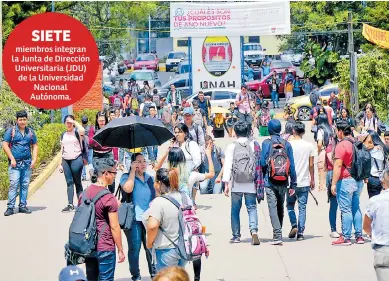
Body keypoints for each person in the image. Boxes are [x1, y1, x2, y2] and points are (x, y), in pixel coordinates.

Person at [83, 157, 125, 280]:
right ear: (106, 174)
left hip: (88, 245)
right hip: (105, 245)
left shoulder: (85, 193)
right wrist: (120, 249)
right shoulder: (108, 198)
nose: (115, 176)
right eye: (114, 173)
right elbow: (114, 226)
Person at [222, 121, 261, 245]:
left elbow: (228, 165)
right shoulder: (254, 143)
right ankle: (253, 230)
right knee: (252, 207)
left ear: (235, 132)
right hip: (251, 183)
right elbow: (258, 163)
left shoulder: (231, 146)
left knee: (235, 210)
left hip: (236, 183)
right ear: (248, 131)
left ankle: (236, 236)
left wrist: (226, 183)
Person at [145, 168, 191, 271]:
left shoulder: (159, 202)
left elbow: (152, 226)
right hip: (183, 247)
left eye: (155, 182)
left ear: (160, 183)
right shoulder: (185, 197)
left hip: (165, 250)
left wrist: (149, 243)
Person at [120, 153, 156, 280]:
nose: (143, 163)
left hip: (149, 219)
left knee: (150, 247)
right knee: (134, 249)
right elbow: (128, 189)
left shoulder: (150, 178)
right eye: (139, 161)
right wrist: (132, 172)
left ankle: (154, 273)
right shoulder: (126, 177)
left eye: (144, 161)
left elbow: (156, 196)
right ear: (133, 163)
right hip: (134, 219)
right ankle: (136, 275)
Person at [261, 119, 297, 245]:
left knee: (272, 206)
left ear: (269, 130)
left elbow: (262, 163)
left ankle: (277, 235)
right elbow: (291, 165)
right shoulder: (287, 144)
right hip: (283, 180)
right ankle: (279, 230)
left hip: (269, 181)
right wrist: (293, 183)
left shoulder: (266, 143)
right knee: (280, 205)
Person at [331, 120, 364, 246]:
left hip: (346, 180)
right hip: (358, 180)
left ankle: (346, 237)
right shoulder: (356, 142)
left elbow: (338, 166)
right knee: (356, 207)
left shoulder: (341, 145)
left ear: (340, 131)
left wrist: (333, 183)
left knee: (346, 209)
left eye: (336, 130)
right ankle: (359, 236)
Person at [3, 110, 38, 216]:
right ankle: (10, 207)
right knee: (14, 185)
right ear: (17, 120)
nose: (22, 122)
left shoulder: (30, 132)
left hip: (27, 163)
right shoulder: (11, 131)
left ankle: (22, 205)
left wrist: (34, 159)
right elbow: (5, 145)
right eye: (20, 120)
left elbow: (35, 145)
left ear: (27, 120)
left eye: (24, 119)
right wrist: (12, 159)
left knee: (24, 185)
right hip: (15, 164)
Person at [287, 122, 316, 241]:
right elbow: (311, 164)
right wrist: (312, 179)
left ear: (293, 131)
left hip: (291, 182)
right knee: (302, 207)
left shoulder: (288, 145)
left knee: (290, 205)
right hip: (304, 181)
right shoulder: (309, 146)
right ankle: (300, 233)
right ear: (303, 132)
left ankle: (294, 224)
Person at [363, 168, 389, 281]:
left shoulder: (375, 201)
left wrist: (373, 235)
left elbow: (366, 226)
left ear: (383, 182)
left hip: (382, 250)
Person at [59, 115, 86, 213]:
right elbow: (61, 150)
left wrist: (74, 122)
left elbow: (82, 129)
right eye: (67, 122)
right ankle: (70, 204)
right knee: (69, 182)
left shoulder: (77, 132)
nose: (69, 124)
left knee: (77, 182)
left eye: (70, 122)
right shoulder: (63, 135)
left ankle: (81, 203)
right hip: (66, 160)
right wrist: (60, 164)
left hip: (76, 159)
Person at [89, 111, 116, 194]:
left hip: (108, 155)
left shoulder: (109, 128)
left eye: (103, 120)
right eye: (100, 120)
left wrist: (116, 159)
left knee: (111, 177)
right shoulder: (93, 129)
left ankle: (111, 196)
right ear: (97, 120)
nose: (102, 122)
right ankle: (100, 197)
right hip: (97, 156)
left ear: (106, 120)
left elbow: (114, 144)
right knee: (100, 179)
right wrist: (99, 136)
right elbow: (90, 143)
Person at [364, 131, 389, 198]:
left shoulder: (373, 150)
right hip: (381, 177)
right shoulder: (382, 147)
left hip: (373, 178)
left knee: (373, 199)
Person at [316, 114, 331, 192]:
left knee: (322, 173)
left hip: (323, 151)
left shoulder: (320, 130)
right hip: (331, 152)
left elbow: (319, 144)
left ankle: (322, 189)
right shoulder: (331, 129)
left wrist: (319, 151)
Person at [81, 116, 93, 181]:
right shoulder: (90, 128)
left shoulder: (80, 128)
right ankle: (92, 174)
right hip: (90, 146)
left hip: (82, 147)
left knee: (83, 161)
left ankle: (83, 175)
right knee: (90, 161)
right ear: (87, 121)